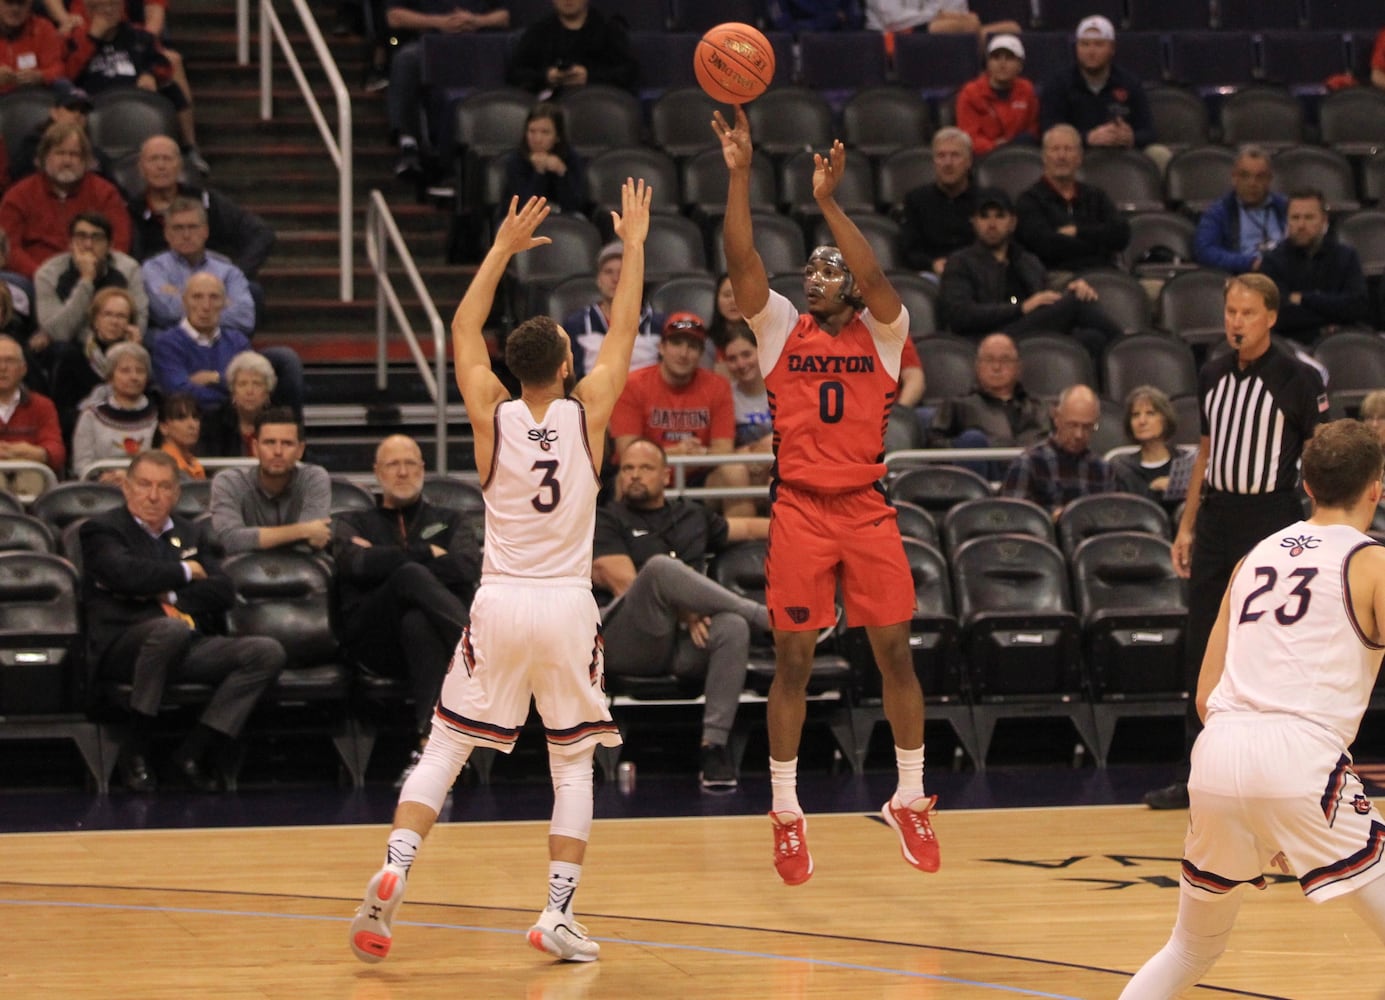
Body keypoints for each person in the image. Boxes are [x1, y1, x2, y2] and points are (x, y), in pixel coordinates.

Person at [349, 179, 651, 965]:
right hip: (563, 605)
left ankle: (394, 867)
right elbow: (623, 330)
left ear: (516, 369)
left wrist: (498, 251)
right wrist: (639, 244)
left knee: (445, 747)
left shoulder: (491, 413)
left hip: (498, 599)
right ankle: (554, 912)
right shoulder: (589, 414)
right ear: (564, 362)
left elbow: (460, 327)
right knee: (573, 760)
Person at [716, 106, 938, 885]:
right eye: (807, 267)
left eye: (826, 269)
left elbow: (876, 277)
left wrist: (828, 201)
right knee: (793, 663)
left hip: (867, 505)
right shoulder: (780, 328)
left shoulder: (883, 330)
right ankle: (785, 812)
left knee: (893, 655)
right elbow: (741, 259)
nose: (814, 275)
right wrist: (740, 172)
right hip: (801, 509)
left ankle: (908, 797)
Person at [1118, 418, 1385, 999]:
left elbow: (1205, 695)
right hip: (1299, 756)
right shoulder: (1373, 564)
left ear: (1307, 486)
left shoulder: (1253, 558)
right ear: (1377, 488)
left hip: (1218, 755)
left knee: (1190, 948)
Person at [1145, 273, 1329, 812]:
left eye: (1246, 313)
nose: (1235, 322)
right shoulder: (1212, 373)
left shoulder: (1298, 378)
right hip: (1219, 517)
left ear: (1270, 317)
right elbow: (1205, 453)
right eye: (1230, 312)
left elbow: (1319, 459)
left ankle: (1280, 774)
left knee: (1271, 643)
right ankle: (1195, 770)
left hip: (1271, 516)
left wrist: (1319, 534)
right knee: (1204, 641)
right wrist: (1187, 523)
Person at [80, 449, 285, 792]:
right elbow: (125, 575)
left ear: (176, 494)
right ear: (127, 488)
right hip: (122, 645)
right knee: (169, 629)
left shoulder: (192, 533)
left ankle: (194, 751)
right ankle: (136, 749)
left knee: (266, 651)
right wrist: (186, 571)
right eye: (144, 485)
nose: (153, 495)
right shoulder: (101, 530)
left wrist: (167, 595)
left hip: (185, 641)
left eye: (163, 487)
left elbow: (222, 591)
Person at [593, 438, 771, 791]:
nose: (634, 476)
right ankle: (766, 618)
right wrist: (686, 611)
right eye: (627, 469)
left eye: (644, 468)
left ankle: (714, 748)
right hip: (628, 639)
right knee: (659, 569)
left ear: (666, 476)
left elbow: (749, 528)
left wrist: (824, 528)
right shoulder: (605, 518)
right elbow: (626, 585)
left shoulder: (691, 514)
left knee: (732, 627)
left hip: (684, 643)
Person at [331, 434, 480, 785]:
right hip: (373, 637)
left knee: (417, 621)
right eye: (392, 464)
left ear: (423, 469)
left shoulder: (451, 518)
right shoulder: (352, 521)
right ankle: (477, 648)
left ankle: (429, 749)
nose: (402, 472)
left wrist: (385, 560)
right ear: (376, 472)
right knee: (410, 574)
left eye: (410, 463)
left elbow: (465, 568)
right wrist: (428, 554)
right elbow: (355, 565)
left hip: (429, 640)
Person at [939, 187, 1122, 363]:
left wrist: (1073, 285)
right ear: (974, 222)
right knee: (1077, 302)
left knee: (1093, 338)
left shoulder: (1027, 260)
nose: (992, 224)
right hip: (989, 337)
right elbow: (959, 315)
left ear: (1012, 222)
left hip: (1029, 330)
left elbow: (1047, 295)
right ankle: (1127, 345)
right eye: (984, 216)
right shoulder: (960, 262)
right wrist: (1021, 308)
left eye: (1000, 216)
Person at [609, 311, 754, 518]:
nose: (684, 353)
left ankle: (744, 548)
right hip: (650, 473)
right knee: (626, 477)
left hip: (699, 476)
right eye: (677, 343)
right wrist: (678, 451)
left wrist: (700, 454)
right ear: (662, 347)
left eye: (692, 346)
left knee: (735, 470)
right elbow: (627, 452)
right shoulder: (633, 385)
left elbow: (724, 449)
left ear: (701, 353)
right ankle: (632, 538)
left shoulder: (717, 386)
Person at [63, 0, 208, 171]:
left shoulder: (139, 36)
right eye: (101, 7)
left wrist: (151, 74)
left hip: (136, 95)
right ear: (88, 10)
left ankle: (189, 147)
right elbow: (69, 74)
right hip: (94, 99)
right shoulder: (76, 38)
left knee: (172, 88)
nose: (108, 12)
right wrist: (93, 38)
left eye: (113, 6)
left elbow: (163, 65)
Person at [383, 0, 510, 181]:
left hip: (479, 46)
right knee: (406, 59)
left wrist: (477, 20)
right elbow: (394, 17)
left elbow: (505, 16)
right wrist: (439, 22)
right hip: (432, 44)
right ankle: (408, 143)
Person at [149, 272, 303, 419]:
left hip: (235, 422)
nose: (206, 306)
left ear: (224, 303)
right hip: (193, 421)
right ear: (184, 302)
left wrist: (214, 378)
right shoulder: (167, 343)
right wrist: (231, 390)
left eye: (214, 297)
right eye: (197, 297)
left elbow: (250, 388)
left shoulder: (238, 341)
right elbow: (180, 392)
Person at [126, 136, 276, 279]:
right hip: (154, 286)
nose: (161, 166)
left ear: (180, 166)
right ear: (141, 168)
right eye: (153, 159)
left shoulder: (207, 201)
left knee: (252, 291)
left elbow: (262, 234)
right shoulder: (130, 210)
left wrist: (236, 274)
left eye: (167, 159)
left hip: (211, 283)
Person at [0, 121, 131, 278]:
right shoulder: (19, 195)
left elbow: (119, 242)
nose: (67, 161)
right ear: (44, 157)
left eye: (74, 154)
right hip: (34, 278)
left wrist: (92, 272)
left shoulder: (105, 193)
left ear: (85, 160)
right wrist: (40, 276)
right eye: (60, 153)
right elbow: (9, 248)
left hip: (94, 276)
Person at [208, 406, 331, 555]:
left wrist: (254, 539)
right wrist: (303, 530)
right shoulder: (228, 481)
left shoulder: (314, 478)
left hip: (303, 570)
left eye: (287, 443)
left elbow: (314, 540)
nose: (278, 451)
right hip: (243, 573)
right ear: (255, 448)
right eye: (269, 442)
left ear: (300, 450)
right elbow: (231, 540)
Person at [1039, 14, 1159, 163]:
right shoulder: (1058, 83)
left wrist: (1131, 137)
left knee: (1159, 154)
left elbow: (1150, 132)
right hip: (1074, 155)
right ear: (1076, 48)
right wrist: (1088, 137)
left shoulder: (1130, 83)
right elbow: (1048, 130)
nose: (1091, 51)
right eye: (1085, 44)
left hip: (1122, 152)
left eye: (1098, 44)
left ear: (1112, 48)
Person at [926, 332, 1048, 477]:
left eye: (1005, 360)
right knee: (972, 439)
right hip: (983, 477)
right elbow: (934, 445)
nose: (996, 367)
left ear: (1018, 367)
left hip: (1030, 477)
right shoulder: (958, 405)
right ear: (977, 366)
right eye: (989, 360)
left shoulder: (1038, 408)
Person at [1258, 188, 1370, 345]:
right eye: (1295, 218)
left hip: (1344, 344)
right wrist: (1327, 320)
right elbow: (1277, 316)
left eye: (1309, 217)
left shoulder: (1346, 256)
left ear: (1325, 221)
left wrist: (1304, 299)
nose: (1301, 225)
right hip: (1292, 345)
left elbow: (1358, 306)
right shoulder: (1272, 261)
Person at [1016, 124, 1131, 275]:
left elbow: (1121, 234)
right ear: (1044, 156)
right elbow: (1046, 245)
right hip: (1055, 277)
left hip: (1104, 273)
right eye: (1055, 149)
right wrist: (1099, 242)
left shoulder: (1096, 195)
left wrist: (1078, 231)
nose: (1061, 156)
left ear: (1079, 157)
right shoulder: (1030, 200)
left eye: (1068, 149)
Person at [34, 212, 148, 355]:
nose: (88, 245)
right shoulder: (48, 273)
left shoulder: (128, 268)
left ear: (109, 245)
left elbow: (139, 321)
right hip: (71, 345)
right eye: (81, 237)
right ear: (70, 243)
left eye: (97, 238)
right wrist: (86, 280)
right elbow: (58, 332)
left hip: (118, 342)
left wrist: (103, 336)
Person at [999, 384, 1116, 519]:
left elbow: (1110, 521)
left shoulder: (1103, 470)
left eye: (1087, 427)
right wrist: (1050, 518)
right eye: (1072, 425)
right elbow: (1012, 519)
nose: (1079, 434)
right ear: (1056, 418)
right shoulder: (1028, 464)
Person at [143, 198, 257, 333]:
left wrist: (180, 295)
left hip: (221, 341)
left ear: (205, 231)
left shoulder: (226, 269)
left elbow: (245, 317)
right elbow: (166, 312)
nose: (186, 235)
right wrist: (221, 304)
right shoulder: (154, 268)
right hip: (176, 340)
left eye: (193, 227)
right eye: (178, 228)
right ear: (167, 234)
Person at [48, 286, 141, 441]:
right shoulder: (72, 357)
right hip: (82, 434)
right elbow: (61, 413)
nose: (114, 322)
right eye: (107, 314)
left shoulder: (139, 358)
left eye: (121, 316)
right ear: (95, 320)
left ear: (130, 324)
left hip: (131, 431)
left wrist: (133, 352)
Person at [562, 239, 662, 380]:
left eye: (623, 272)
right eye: (608, 272)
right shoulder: (577, 325)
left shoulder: (659, 325)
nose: (615, 279)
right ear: (598, 280)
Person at [505, 0, 637, 99]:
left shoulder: (608, 29)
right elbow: (514, 72)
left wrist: (589, 76)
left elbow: (628, 73)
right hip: (550, 106)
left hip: (598, 103)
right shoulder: (538, 31)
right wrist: (546, 76)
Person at [70, 340, 158, 481]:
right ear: (110, 377)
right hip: (101, 491)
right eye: (125, 371)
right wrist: (103, 478)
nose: (134, 377)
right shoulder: (91, 416)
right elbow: (82, 465)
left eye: (140, 371)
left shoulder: (158, 416)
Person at [1192, 145, 1286, 275]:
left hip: (1284, 276)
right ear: (1234, 178)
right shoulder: (1219, 212)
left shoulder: (1286, 207)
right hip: (1243, 276)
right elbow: (1205, 251)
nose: (1252, 183)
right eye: (1245, 176)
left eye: (1260, 177)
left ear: (1269, 179)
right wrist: (1250, 263)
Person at [899, 127, 977, 278]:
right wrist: (932, 264)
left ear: (969, 161)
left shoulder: (984, 200)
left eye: (955, 155)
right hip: (931, 275)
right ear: (933, 161)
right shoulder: (916, 200)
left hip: (976, 274)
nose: (947, 163)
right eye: (941, 156)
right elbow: (909, 250)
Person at [954, 34, 1038, 158]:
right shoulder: (970, 93)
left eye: (1009, 58)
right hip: (983, 157)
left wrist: (1011, 147)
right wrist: (995, 146)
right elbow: (969, 136)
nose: (1002, 63)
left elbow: (1033, 129)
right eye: (996, 57)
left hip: (1020, 154)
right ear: (988, 63)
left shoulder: (1027, 90)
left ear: (1020, 65)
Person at [0, 333, 64, 491]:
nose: (2, 368)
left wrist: (40, 453)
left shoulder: (42, 405)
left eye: (10, 361)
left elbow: (56, 451)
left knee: (32, 478)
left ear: (23, 369)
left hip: (29, 478)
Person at [499, 101, 585, 217]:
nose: (537, 139)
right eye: (532, 131)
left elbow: (574, 206)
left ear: (558, 136)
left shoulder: (571, 158)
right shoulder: (516, 160)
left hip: (563, 220)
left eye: (545, 132)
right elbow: (524, 208)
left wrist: (562, 173)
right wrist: (539, 172)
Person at [1109, 384, 1180, 509]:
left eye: (1150, 413)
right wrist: (1153, 489)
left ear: (1165, 419)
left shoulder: (1185, 462)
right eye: (1135, 415)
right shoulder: (1120, 467)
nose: (1142, 421)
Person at [200, 349, 273, 458]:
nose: (249, 391)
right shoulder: (213, 424)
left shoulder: (279, 423)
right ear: (233, 392)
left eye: (257, 384)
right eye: (242, 384)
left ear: (267, 393)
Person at [865, 0, 1020, 41]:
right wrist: (938, 15)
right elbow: (892, 19)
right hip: (894, 34)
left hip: (941, 28)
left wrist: (947, 17)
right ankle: (976, 82)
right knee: (958, 26)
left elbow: (958, 12)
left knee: (1011, 28)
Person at [0, 0, 62, 97]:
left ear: (30, 5)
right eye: (8, 3)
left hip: (33, 96)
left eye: (21, 4)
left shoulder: (43, 28)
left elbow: (57, 67)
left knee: (63, 86)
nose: (15, 9)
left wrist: (41, 76)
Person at [157, 390, 205, 480]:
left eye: (195, 417)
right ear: (164, 427)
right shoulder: (162, 466)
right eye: (181, 418)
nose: (192, 425)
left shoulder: (193, 462)